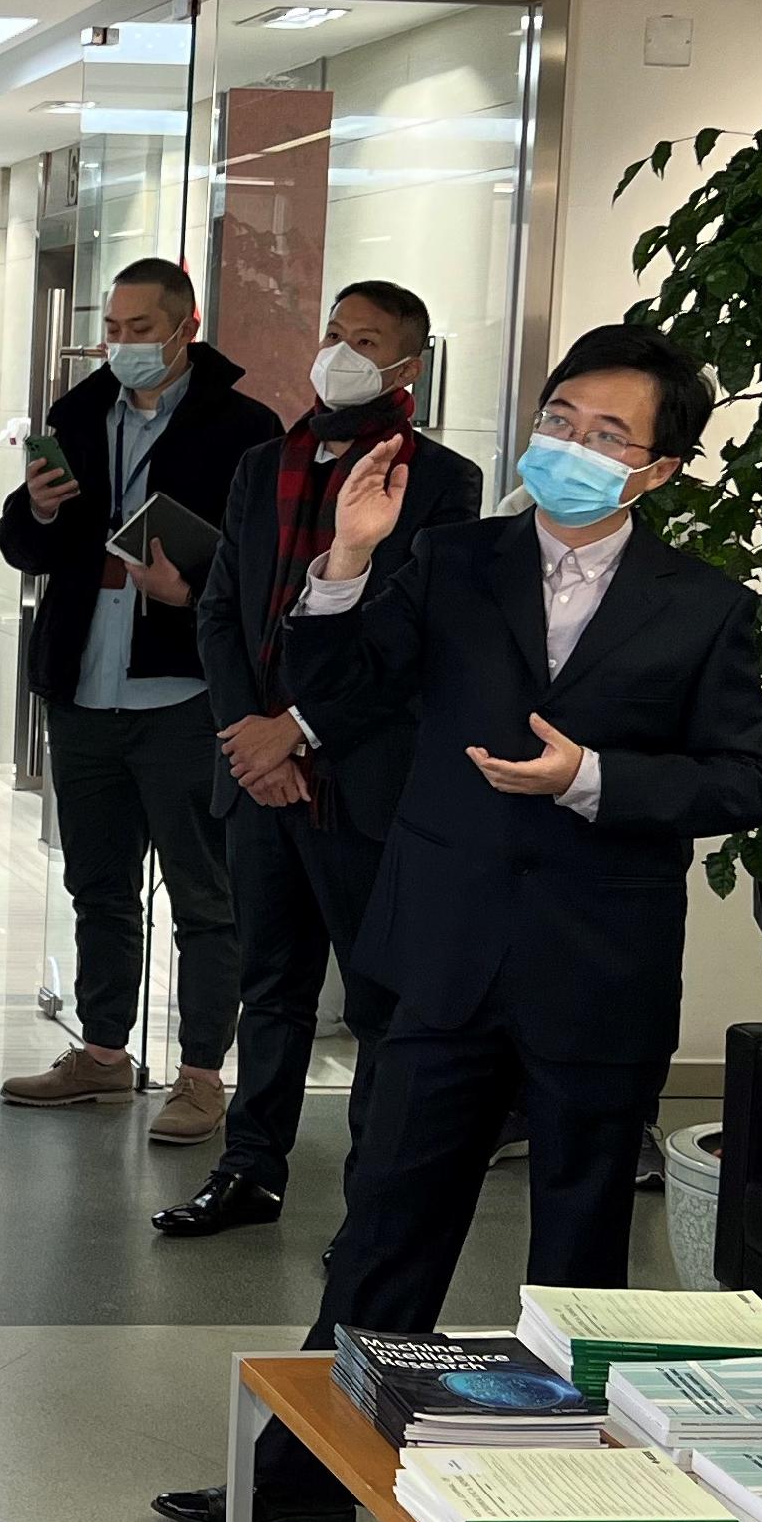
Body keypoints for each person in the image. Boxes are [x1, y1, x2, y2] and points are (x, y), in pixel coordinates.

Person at [154, 323, 762, 1522]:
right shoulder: (449, 558)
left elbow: (740, 782)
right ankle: (306, 1477)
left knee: (583, 1239)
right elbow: (336, 692)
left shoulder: (705, 606)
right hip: (443, 945)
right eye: (558, 422)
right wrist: (344, 558)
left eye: (608, 437)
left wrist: (591, 777)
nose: (573, 450)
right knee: (388, 1216)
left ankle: (572, 1492)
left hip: (598, 963)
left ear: (657, 470)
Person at [163, 280, 482, 1237]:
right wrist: (250, 739)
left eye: (367, 339)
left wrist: (298, 729)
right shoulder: (266, 465)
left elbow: (412, 639)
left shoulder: (442, 481)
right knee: (272, 988)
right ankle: (251, 1170)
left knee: (378, 995)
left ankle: (374, 1194)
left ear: (409, 363)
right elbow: (222, 613)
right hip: (259, 775)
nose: (340, 352)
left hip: (362, 778)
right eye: (333, 332)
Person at [0, 258, 281, 1146]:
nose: (121, 346)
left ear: (185, 329)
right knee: (98, 884)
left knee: (204, 893)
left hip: (185, 692)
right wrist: (36, 513)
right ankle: (103, 1054)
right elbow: (24, 545)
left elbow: (267, 565)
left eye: (139, 330)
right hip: (84, 688)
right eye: (111, 329)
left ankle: (201, 1076)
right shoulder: (77, 414)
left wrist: (189, 593)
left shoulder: (243, 428)